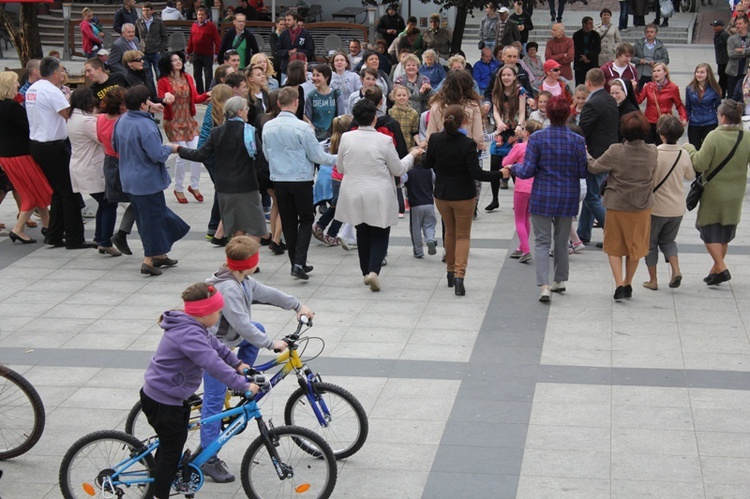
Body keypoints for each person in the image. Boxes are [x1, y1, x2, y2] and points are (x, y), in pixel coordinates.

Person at [194, 236, 311, 481]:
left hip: (228, 340)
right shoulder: (229, 288)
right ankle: (208, 458)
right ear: (249, 264)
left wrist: (297, 305)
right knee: (213, 403)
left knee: (257, 326)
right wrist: (271, 344)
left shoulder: (241, 279)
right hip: (212, 349)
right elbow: (243, 326)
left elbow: (268, 293)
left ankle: (240, 375)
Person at [140, 281, 260, 499]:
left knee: (174, 441)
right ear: (206, 314)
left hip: (170, 394)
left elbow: (218, 348)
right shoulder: (190, 334)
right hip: (163, 399)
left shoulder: (196, 327)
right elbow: (212, 363)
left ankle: (161, 480)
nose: (220, 314)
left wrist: (238, 364)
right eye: (218, 311)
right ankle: (159, 495)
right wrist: (243, 385)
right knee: (171, 450)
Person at [503, 95, 588, 302]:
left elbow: (528, 170)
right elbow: (583, 171)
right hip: (568, 195)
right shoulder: (577, 140)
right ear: (567, 114)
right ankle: (560, 280)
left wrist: (512, 167)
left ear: (547, 113)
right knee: (561, 241)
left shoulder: (538, 138)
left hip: (543, 194)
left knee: (541, 242)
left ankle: (544, 285)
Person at [336, 99, 421, 291]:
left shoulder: (346, 138)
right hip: (378, 190)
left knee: (362, 231)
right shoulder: (384, 140)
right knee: (381, 232)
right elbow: (398, 169)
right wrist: (412, 155)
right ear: (375, 119)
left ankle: (366, 271)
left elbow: (340, 167)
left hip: (354, 190)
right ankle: (374, 271)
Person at [424, 104, 501, 295]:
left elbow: (427, 164)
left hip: (442, 194)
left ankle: (450, 272)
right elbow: (477, 173)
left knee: (449, 232)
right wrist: (500, 173)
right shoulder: (467, 144)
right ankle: (459, 276)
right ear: (464, 122)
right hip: (464, 196)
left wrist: (418, 153)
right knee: (463, 235)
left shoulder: (435, 139)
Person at [261, 87, 337, 280]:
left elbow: (267, 154)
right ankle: (298, 261)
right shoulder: (303, 127)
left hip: (279, 178)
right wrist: (339, 158)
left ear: (278, 103)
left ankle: (296, 261)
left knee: (288, 221)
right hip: (300, 179)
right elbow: (317, 156)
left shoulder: (268, 126)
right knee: (305, 219)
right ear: (296, 103)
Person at [114, 85, 190, 275]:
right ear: (142, 104)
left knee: (150, 216)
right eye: (147, 100)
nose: (150, 103)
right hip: (146, 180)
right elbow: (157, 154)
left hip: (129, 178)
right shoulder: (145, 125)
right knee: (151, 220)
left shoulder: (122, 120)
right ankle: (149, 259)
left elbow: (115, 145)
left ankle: (160, 254)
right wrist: (170, 148)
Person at [176, 96, 267, 242]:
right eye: (246, 109)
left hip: (224, 187)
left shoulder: (216, 132)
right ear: (239, 112)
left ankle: (236, 261)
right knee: (255, 228)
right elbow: (261, 159)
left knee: (236, 228)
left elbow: (200, 155)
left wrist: (179, 149)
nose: (247, 112)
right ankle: (247, 262)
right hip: (247, 186)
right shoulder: (250, 131)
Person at [588, 111, 656, 301]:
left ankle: (618, 284)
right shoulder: (653, 151)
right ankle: (628, 282)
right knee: (635, 247)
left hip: (617, 204)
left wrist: (584, 153)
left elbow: (594, 167)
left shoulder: (616, 150)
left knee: (614, 247)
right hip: (642, 206)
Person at [26, 57, 93, 250]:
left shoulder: (34, 88)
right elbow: (68, 116)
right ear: (55, 73)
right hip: (53, 145)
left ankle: (54, 234)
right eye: (62, 71)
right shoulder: (52, 91)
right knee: (70, 192)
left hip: (38, 143)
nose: (63, 75)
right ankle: (74, 238)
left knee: (58, 190)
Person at [684, 99, 750, 286]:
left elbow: (699, 163)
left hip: (715, 192)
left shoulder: (714, 136)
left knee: (708, 230)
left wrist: (689, 148)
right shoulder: (746, 137)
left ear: (722, 117)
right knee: (724, 231)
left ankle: (721, 267)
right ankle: (715, 271)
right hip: (736, 191)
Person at [67, 87, 121, 257]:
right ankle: (105, 241)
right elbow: (102, 137)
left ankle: (100, 237)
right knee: (109, 204)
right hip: (90, 167)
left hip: (80, 165)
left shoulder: (74, 117)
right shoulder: (86, 122)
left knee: (103, 203)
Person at [642, 115, 694, 291]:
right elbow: (690, 176)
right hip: (677, 207)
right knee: (669, 241)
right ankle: (676, 270)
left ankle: (653, 279)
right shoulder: (684, 153)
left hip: (656, 208)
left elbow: (646, 177)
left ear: (661, 134)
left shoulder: (654, 152)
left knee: (650, 244)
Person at [0, 71, 51, 243]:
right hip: (20, 155)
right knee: (34, 192)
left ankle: (48, 226)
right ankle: (18, 229)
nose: (17, 85)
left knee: (37, 190)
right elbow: (28, 127)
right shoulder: (12, 107)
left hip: (7, 156)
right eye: (15, 82)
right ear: (8, 85)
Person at [157, 51, 211, 204]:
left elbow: (196, 98)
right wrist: (165, 99)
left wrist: (208, 94)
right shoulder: (163, 81)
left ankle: (194, 185)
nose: (178, 62)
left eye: (179, 59)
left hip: (188, 120)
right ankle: (178, 188)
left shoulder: (188, 77)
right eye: (174, 60)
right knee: (181, 156)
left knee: (197, 153)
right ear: (168, 63)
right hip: (173, 121)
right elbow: (160, 100)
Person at [577, 68, 619, 245]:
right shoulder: (610, 99)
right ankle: (583, 233)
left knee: (592, 197)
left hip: (596, 157)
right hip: (609, 153)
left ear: (588, 83)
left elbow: (582, 131)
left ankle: (615, 234)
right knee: (590, 194)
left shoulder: (592, 103)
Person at [97, 87, 136, 256]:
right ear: (121, 105)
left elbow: (99, 139)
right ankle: (118, 235)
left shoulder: (100, 119)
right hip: (122, 161)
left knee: (109, 203)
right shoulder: (122, 121)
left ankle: (104, 239)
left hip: (108, 161)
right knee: (137, 199)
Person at [486, 64, 527, 210]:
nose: (506, 77)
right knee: (495, 166)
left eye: (509, 75)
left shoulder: (520, 91)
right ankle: (494, 199)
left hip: (515, 131)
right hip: (501, 131)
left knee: (516, 168)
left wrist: (520, 125)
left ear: (515, 77)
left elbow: (522, 112)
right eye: (503, 75)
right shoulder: (497, 91)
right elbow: (495, 110)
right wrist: (499, 122)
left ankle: (519, 200)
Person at [504, 119, 544, 263]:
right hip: (535, 186)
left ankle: (526, 249)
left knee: (519, 220)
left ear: (526, 132)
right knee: (526, 218)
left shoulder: (520, 147)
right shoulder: (541, 148)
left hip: (521, 186)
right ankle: (521, 246)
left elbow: (505, 162)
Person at [636, 62, 687, 145]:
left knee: (662, 147)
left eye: (658, 70)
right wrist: (634, 89)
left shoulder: (673, 87)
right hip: (650, 121)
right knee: (647, 146)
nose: (655, 73)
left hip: (664, 122)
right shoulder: (649, 86)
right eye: (654, 71)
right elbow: (638, 100)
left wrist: (683, 117)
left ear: (665, 72)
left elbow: (679, 105)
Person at [685, 63, 722, 151]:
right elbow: (688, 107)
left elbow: (718, 106)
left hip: (710, 123)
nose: (699, 74)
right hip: (694, 123)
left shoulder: (715, 89)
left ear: (708, 74)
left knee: (709, 150)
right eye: (697, 72)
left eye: (702, 72)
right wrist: (685, 119)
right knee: (694, 149)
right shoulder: (689, 89)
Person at [187, 7, 222, 95]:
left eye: (202, 15)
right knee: (197, 75)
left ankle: (208, 94)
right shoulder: (194, 25)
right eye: (199, 15)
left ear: (206, 16)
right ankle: (199, 94)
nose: (200, 17)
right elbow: (191, 39)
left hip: (207, 54)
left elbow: (217, 40)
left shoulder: (211, 26)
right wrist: (188, 51)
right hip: (196, 54)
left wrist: (216, 54)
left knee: (208, 76)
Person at [135, 3, 169, 83]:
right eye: (143, 10)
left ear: (152, 11)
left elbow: (164, 36)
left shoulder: (158, 22)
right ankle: (152, 94)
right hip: (144, 52)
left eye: (147, 10)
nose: (145, 12)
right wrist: (139, 48)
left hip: (156, 52)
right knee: (148, 76)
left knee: (159, 74)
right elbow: (136, 37)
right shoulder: (138, 22)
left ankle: (161, 93)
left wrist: (160, 49)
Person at [632, 24, 670, 91]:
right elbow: (631, 57)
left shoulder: (661, 46)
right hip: (640, 74)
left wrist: (655, 63)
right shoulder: (638, 44)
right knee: (636, 93)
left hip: (654, 74)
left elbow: (666, 60)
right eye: (647, 32)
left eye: (651, 32)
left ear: (656, 33)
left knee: (655, 93)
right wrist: (639, 60)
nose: (649, 34)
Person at [573, 17, 601, 86]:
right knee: (580, 85)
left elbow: (597, 49)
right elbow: (575, 48)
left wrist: (588, 56)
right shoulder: (576, 35)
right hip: (580, 64)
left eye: (592, 23)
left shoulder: (596, 35)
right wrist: (582, 57)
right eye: (590, 24)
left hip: (592, 63)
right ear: (584, 24)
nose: (592, 25)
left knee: (593, 84)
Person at [713, 20, 730, 98]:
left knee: (723, 77)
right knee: (721, 76)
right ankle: (721, 92)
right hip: (720, 59)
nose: (714, 28)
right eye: (714, 26)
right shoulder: (717, 35)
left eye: (716, 26)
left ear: (721, 26)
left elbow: (728, 46)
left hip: (724, 60)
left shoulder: (724, 35)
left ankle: (721, 93)